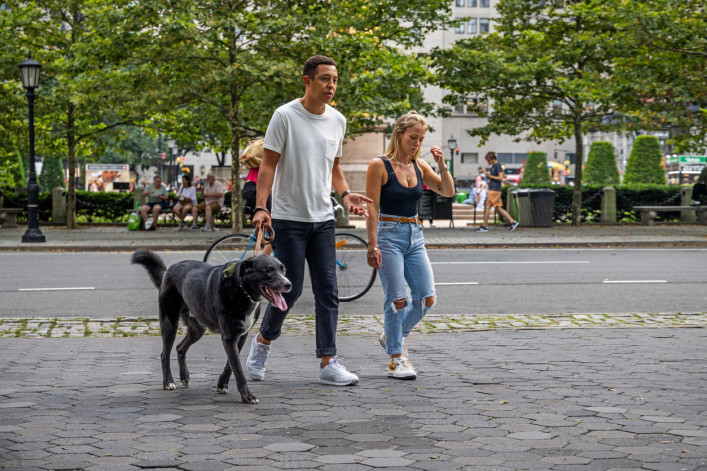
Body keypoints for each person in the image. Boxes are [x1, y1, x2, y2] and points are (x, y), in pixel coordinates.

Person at [245, 55, 372, 386]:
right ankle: (262, 343)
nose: (331, 85)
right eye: (325, 79)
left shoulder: (338, 120)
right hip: (289, 217)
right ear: (307, 80)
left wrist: (346, 195)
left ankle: (329, 361)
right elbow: (268, 165)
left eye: (335, 80)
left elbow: (335, 169)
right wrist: (262, 206)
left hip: (323, 219)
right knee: (292, 288)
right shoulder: (285, 116)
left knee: (328, 290)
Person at [365, 111, 455, 380]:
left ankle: (390, 336)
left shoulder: (420, 166)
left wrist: (442, 164)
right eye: (413, 137)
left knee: (427, 299)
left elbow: (447, 191)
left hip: (415, 235)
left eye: (421, 139)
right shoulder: (378, 165)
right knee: (397, 300)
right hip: (388, 234)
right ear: (399, 135)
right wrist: (372, 245)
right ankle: (396, 358)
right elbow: (372, 209)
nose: (417, 143)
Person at [474, 152, 519, 232]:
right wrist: (486, 173)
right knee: (498, 208)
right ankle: (513, 222)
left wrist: (489, 176)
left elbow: (501, 177)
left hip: (495, 190)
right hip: (495, 189)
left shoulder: (498, 165)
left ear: (493, 158)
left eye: (488, 160)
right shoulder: (494, 166)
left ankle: (484, 226)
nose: (488, 162)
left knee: (487, 206)